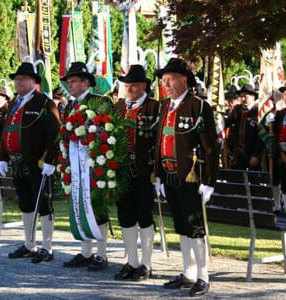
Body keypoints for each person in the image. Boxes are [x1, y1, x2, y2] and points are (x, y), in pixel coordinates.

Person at [154, 58, 219, 297]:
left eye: (170, 79)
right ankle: (188, 272)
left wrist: (210, 181)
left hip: (192, 176)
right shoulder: (164, 107)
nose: (166, 84)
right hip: (169, 175)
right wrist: (158, 175)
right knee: (181, 226)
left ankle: (203, 276)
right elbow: (159, 142)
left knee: (195, 227)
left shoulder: (198, 107)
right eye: (163, 80)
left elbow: (210, 146)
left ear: (185, 80)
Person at [0, 62, 59, 263]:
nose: (18, 82)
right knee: (25, 204)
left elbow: (55, 134)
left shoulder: (44, 102)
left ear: (34, 81)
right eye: (16, 79)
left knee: (43, 204)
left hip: (38, 163)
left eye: (23, 78)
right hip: (17, 163)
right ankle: (29, 244)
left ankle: (47, 248)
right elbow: (6, 130)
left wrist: (50, 160)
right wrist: (2, 157)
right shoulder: (14, 103)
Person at [61, 61, 112, 272]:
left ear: (85, 83)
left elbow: (105, 132)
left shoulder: (100, 101)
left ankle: (101, 254)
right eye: (69, 82)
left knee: (97, 208)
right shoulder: (69, 106)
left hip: (94, 163)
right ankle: (85, 251)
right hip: (75, 164)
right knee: (80, 205)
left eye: (74, 81)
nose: (70, 85)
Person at [113, 64, 159, 281]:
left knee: (144, 214)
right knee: (125, 214)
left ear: (144, 86)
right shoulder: (119, 107)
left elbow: (159, 142)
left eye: (134, 84)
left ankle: (146, 264)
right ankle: (131, 261)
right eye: (127, 84)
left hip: (143, 170)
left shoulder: (154, 107)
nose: (129, 88)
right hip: (121, 170)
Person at [225, 84, 264, 170]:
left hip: (252, 151)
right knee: (237, 178)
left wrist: (256, 155)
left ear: (253, 97)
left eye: (245, 96)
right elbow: (227, 123)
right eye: (241, 96)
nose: (242, 99)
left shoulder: (258, 111)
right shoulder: (237, 110)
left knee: (253, 178)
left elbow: (261, 136)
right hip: (238, 152)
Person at [272, 82, 286, 217]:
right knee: (285, 183)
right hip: (281, 152)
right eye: (285, 95)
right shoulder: (280, 114)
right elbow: (275, 134)